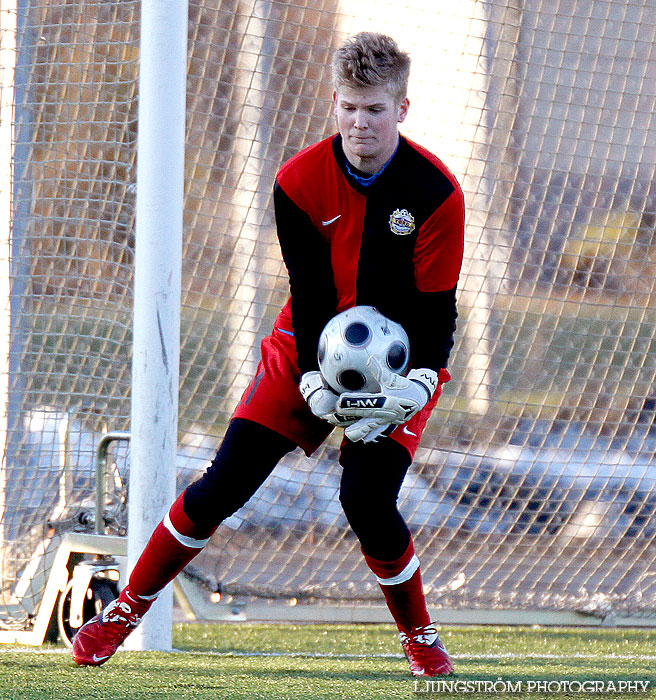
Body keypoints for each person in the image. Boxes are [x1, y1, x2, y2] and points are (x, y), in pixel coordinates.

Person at [72, 31, 464, 677]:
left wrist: (419, 383)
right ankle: (124, 611)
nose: (360, 124)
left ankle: (419, 634)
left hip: (399, 362)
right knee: (225, 480)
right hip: (306, 344)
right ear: (335, 104)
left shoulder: (437, 194)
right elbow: (309, 295)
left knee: (366, 501)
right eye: (349, 108)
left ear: (402, 109)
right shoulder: (298, 180)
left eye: (375, 110)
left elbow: (436, 309)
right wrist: (313, 380)